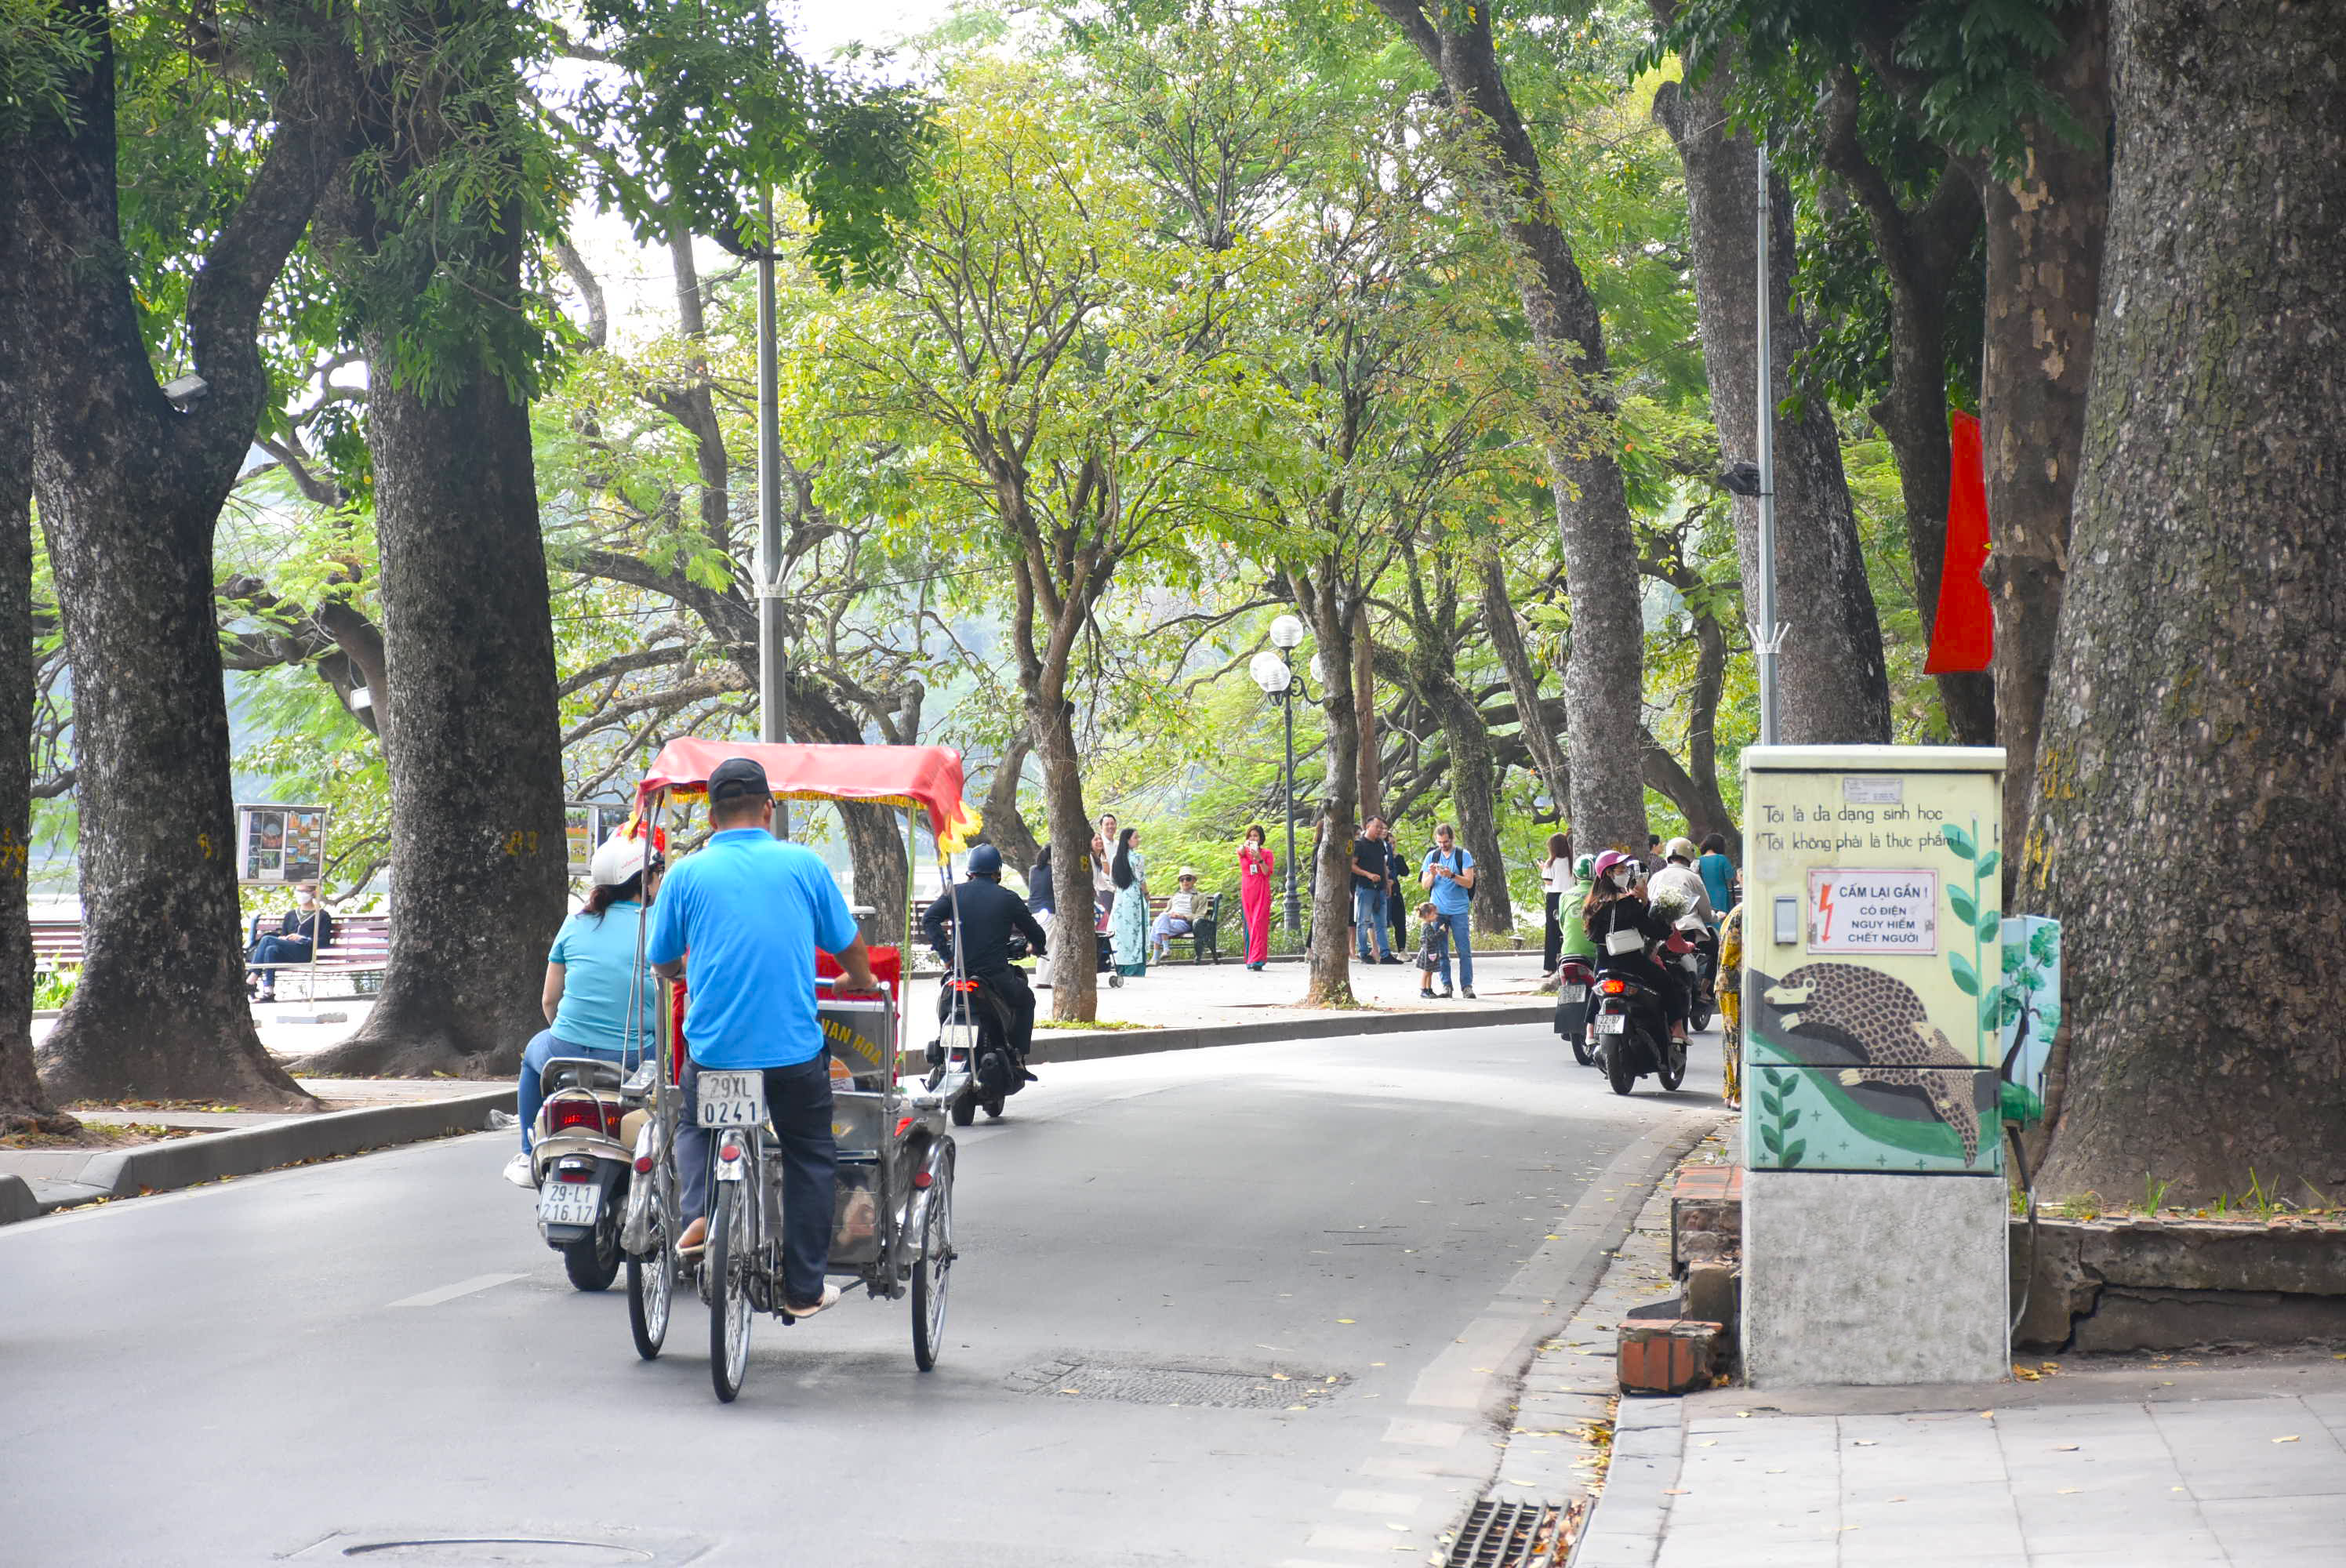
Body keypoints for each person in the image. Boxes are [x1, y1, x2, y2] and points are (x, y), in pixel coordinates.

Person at [649, 755, 878, 1322]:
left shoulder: (685, 874)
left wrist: (685, 972)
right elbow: (849, 947)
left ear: (711, 814)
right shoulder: (803, 865)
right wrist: (862, 979)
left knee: (694, 1123)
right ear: (768, 810)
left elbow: (663, 960)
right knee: (808, 1152)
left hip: (714, 1049)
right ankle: (802, 1289)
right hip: (793, 1055)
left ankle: (700, 1210)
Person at [503, 833, 660, 1189]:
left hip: (564, 1050)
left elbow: (549, 1000)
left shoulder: (574, 924)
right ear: (643, 880)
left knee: (532, 1055)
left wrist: (572, 1038)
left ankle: (529, 1151)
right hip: (634, 1056)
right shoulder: (657, 925)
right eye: (658, 872)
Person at [922, 843, 1048, 1065]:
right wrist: (1035, 947)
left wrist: (946, 955)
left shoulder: (955, 892)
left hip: (958, 973)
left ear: (970, 871)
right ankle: (1018, 1055)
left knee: (944, 1004)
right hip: (995, 976)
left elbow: (929, 919)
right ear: (997, 872)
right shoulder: (1007, 898)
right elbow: (1035, 932)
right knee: (1027, 1000)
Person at [1583, 849, 1688, 1046]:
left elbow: (1591, 935)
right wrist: (1646, 903)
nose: (1626, 874)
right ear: (1608, 873)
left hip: (1604, 961)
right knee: (1665, 980)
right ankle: (1678, 1028)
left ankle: (1589, 1031)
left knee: (1598, 987)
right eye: (1621, 870)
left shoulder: (1592, 905)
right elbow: (1656, 931)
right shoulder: (1629, 904)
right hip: (1631, 962)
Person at [246, 880, 334, 1003]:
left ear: (313, 893)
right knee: (270, 949)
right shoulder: (291, 915)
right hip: (287, 953)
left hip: (304, 953)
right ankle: (269, 992)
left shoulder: (323, 916)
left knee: (267, 939)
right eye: (298, 891)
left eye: (303, 891)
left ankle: (251, 979)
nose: (300, 894)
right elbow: (283, 935)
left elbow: (324, 942)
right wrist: (283, 938)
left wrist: (302, 939)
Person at [1418, 822, 1477, 999]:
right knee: (1440, 950)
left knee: (1464, 950)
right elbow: (1424, 885)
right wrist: (1433, 874)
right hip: (1438, 911)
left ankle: (1467, 986)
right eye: (1440, 842)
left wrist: (1451, 875)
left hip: (1459, 910)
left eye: (1446, 842)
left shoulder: (1463, 855)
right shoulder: (1432, 856)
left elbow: (1469, 882)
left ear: (1452, 839)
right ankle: (1446, 985)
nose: (1443, 846)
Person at [1352, 818, 1397, 964]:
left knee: (1382, 922)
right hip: (1365, 888)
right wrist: (1368, 875)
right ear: (1368, 826)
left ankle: (1385, 954)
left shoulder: (1380, 844)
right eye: (1377, 827)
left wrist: (1388, 883)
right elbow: (1351, 866)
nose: (1380, 830)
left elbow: (1383, 865)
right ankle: (1364, 952)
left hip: (1381, 888)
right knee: (1363, 921)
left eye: (1381, 828)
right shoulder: (1359, 844)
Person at [1107, 825, 1150, 977]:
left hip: (1120, 897)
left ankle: (1121, 965)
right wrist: (1147, 894)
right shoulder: (1137, 858)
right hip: (1133, 897)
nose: (1138, 840)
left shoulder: (1115, 858)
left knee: (1120, 932)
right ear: (1128, 840)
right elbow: (1141, 880)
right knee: (1136, 932)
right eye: (1136, 837)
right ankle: (1135, 967)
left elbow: (1113, 880)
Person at [1650, 837, 1716, 924]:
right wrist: (1717, 916)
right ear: (1690, 855)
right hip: (1688, 930)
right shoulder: (1692, 877)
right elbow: (1707, 915)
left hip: (1660, 931)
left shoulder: (1655, 877)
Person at [1237, 824, 1274, 970]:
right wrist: (1244, 845)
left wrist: (1259, 858)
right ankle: (1250, 958)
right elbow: (1239, 850)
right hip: (1247, 890)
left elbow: (1266, 872)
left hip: (1262, 890)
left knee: (1259, 923)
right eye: (1251, 836)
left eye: (1256, 836)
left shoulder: (1267, 853)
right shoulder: (1243, 852)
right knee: (1250, 923)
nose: (1253, 838)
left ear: (1261, 839)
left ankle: (1257, 959)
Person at [1538, 831, 1574, 975]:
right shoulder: (1572, 861)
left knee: (1552, 932)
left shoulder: (1551, 862)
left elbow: (1548, 881)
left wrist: (1543, 868)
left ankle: (1551, 966)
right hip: (1570, 896)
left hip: (1554, 898)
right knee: (1568, 930)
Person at [1149, 868, 1203, 962]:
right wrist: (1167, 915)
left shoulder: (1200, 896)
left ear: (1194, 880)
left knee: (1159, 922)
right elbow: (1166, 911)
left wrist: (1181, 916)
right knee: (1161, 918)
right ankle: (1165, 951)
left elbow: (1200, 915)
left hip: (1183, 923)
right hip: (1168, 922)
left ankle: (1157, 956)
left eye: (1188, 879)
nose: (1185, 881)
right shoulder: (1175, 896)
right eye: (1182, 879)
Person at [1696, 833, 1738, 923]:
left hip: (1704, 895)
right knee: (1722, 921)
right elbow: (1730, 877)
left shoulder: (1698, 860)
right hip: (1721, 895)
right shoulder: (1722, 859)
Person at [1411, 900, 1446, 999]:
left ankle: (1429, 989)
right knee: (1426, 972)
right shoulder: (1426, 926)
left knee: (1430, 972)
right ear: (1427, 914)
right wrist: (1441, 931)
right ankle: (1423, 990)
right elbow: (1432, 938)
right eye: (1434, 913)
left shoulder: (1428, 925)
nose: (1436, 915)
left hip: (1432, 952)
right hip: (1428, 952)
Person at [1091, 813, 1120, 920]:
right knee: (1107, 920)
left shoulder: (1118, 845)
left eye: (1112, 824)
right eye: (1107, 824)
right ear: (1101, 827)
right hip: (1104, 889)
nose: (1110, 827)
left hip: (1117, 888)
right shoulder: (1098, 844)